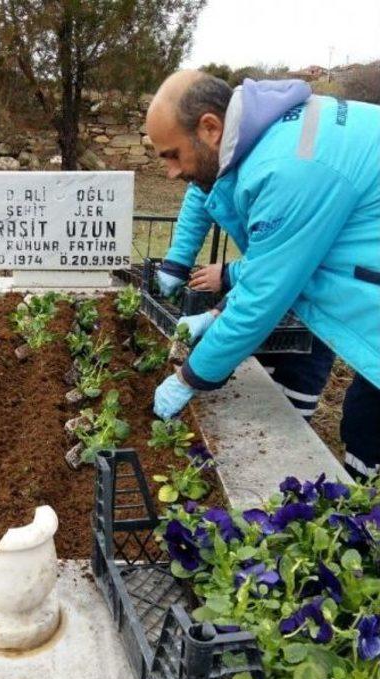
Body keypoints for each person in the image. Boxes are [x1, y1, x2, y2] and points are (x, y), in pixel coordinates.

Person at [146, 71, 380, 480]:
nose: (169, 172)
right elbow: (285, 260)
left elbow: (262, 300)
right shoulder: (270, 138)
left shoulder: (288, 170)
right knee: (366, 421)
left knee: (370, 428)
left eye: (172, 155)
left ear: (210, 128)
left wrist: (188, 378)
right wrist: (216, 314)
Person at [156, 183, 336, 422]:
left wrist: (187, 379)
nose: (171, 174)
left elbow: (281, 262)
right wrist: (177, 262)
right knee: (260, 400)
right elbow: (201, 191)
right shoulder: (229, 160)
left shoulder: (294, 181)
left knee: (292, 413)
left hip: (314, 315)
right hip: (272, 301)